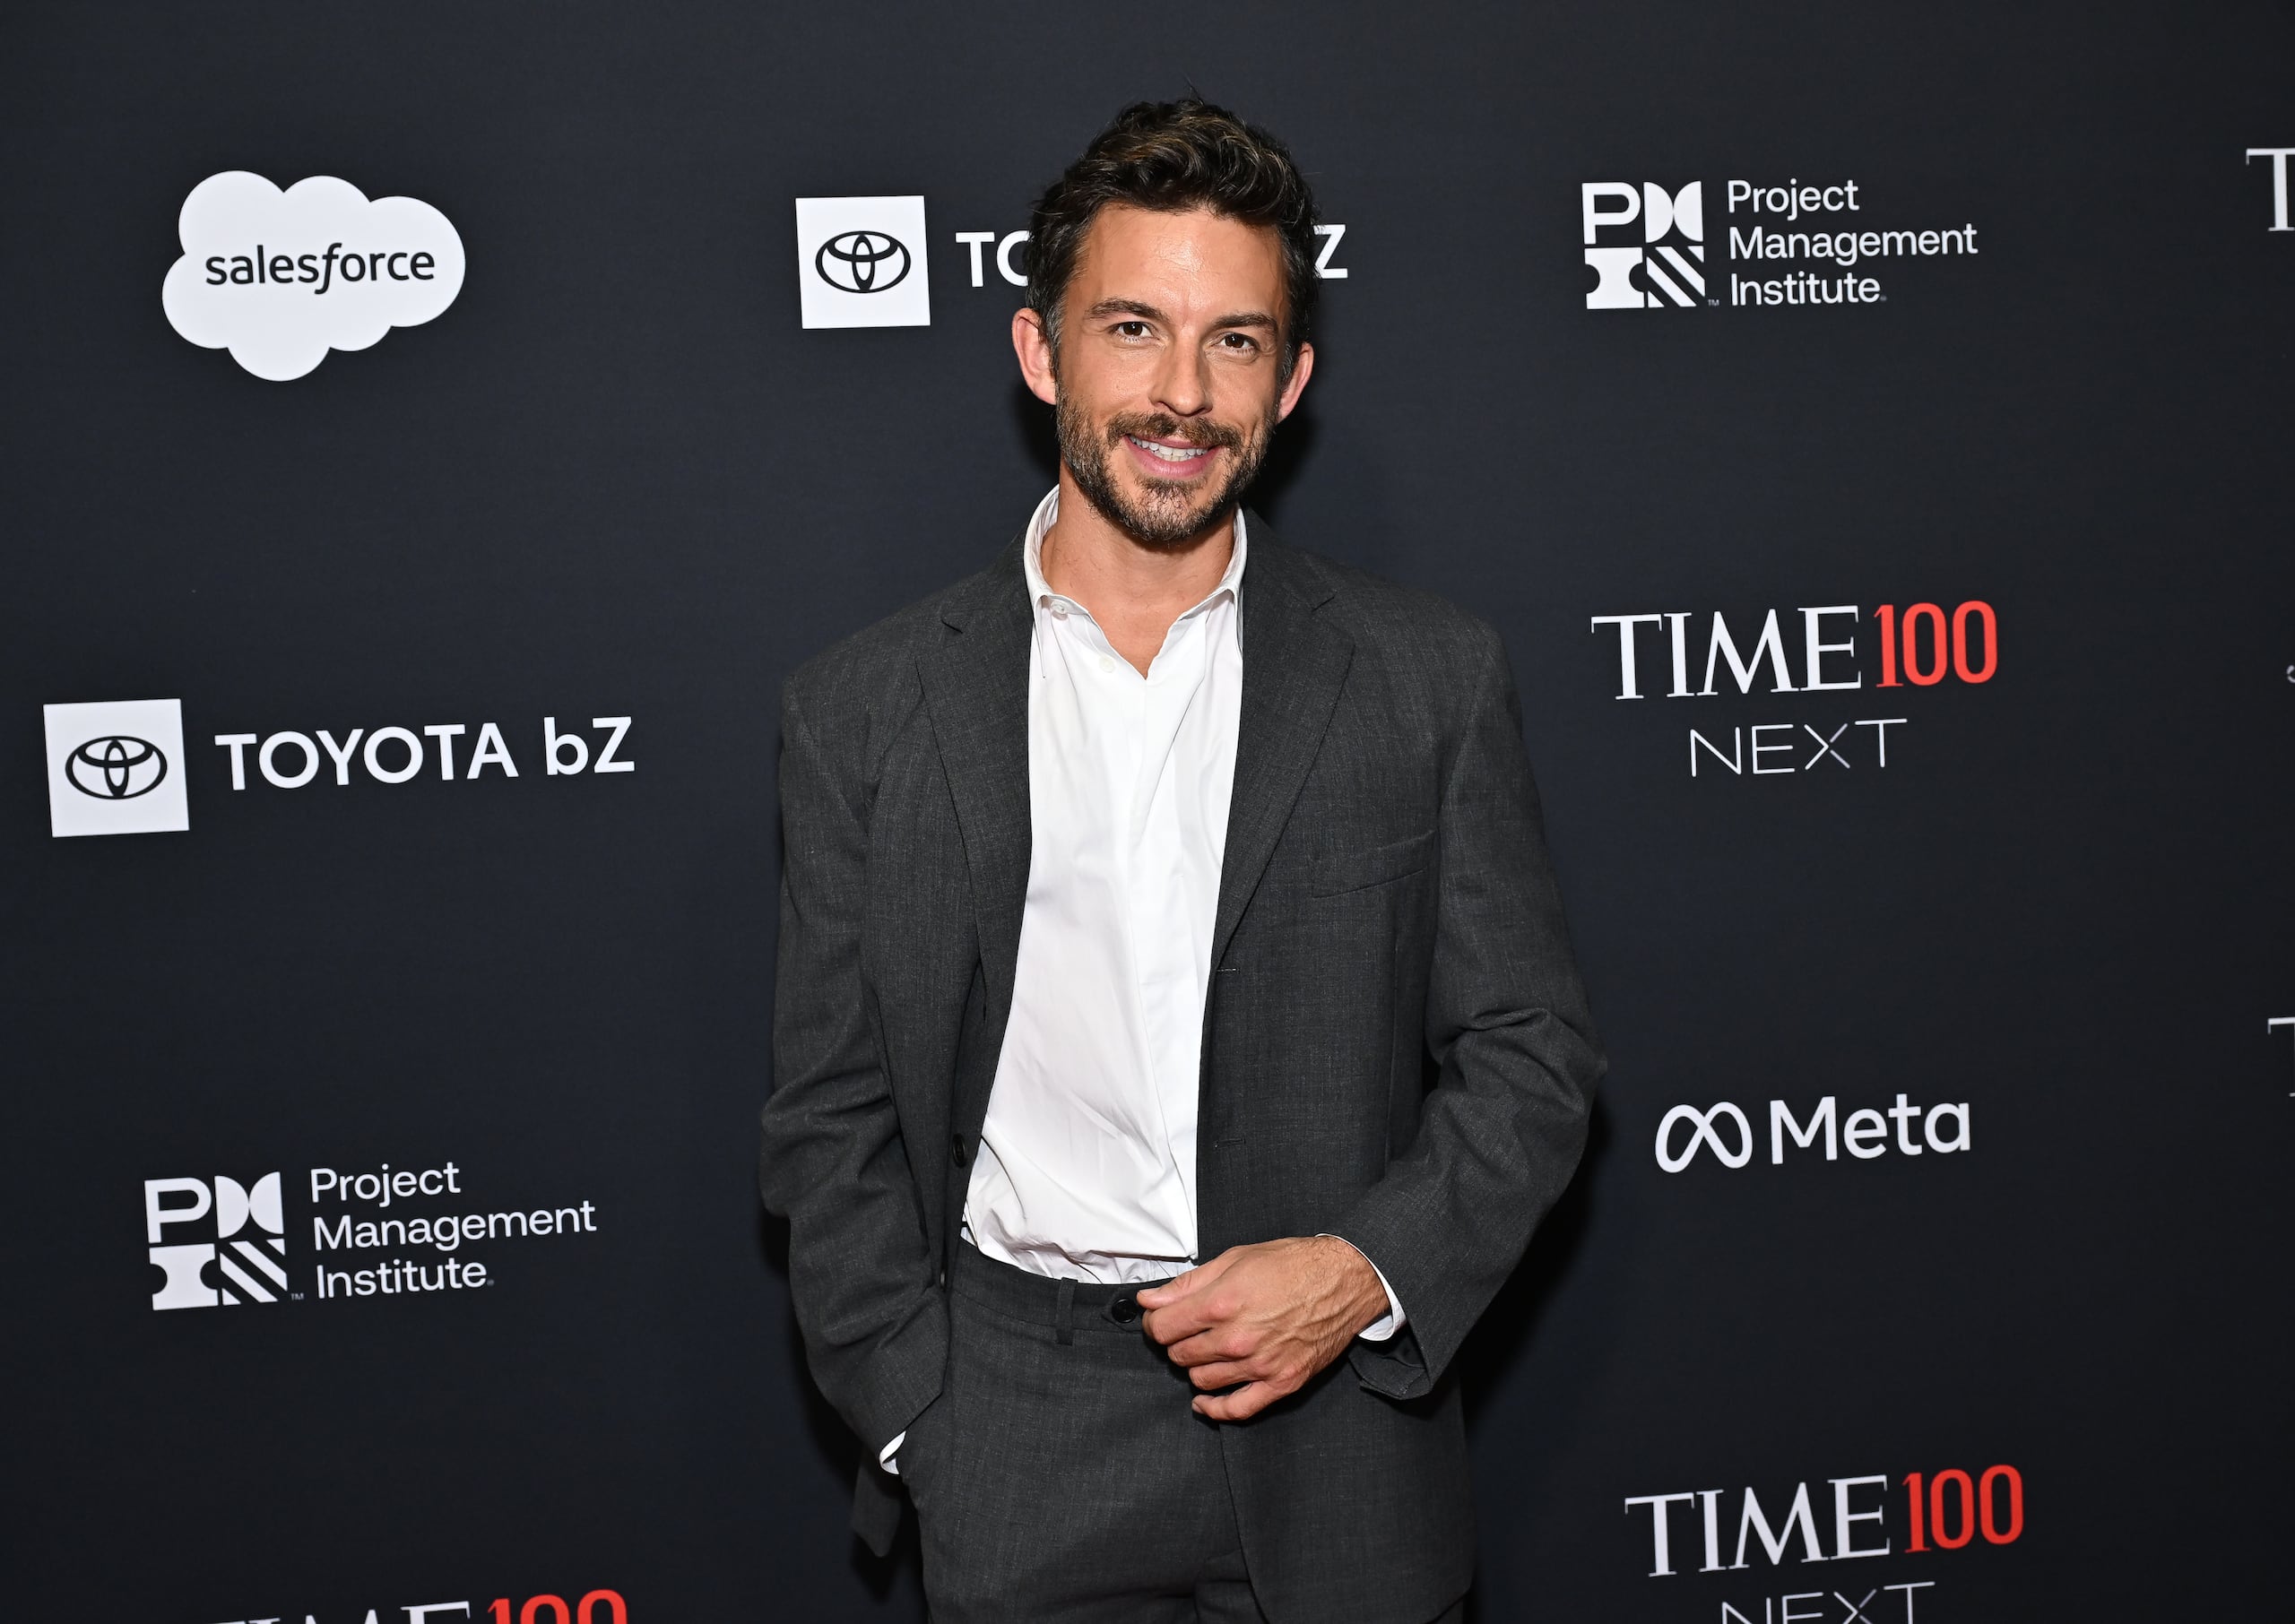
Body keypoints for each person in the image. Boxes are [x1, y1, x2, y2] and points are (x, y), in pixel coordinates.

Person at [759, 97, 1603, 1624]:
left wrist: (1362, 1269)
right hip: (1013, 1430)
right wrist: (921, 1417)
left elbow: (1532, 1058)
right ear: (1041, 353)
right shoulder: (865, 712)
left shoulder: (1426, 678)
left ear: (1289, 382)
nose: (1181, 393)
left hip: (1342, 1428)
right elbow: (831, 1114)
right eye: (1134, 328)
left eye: (1233, 342)